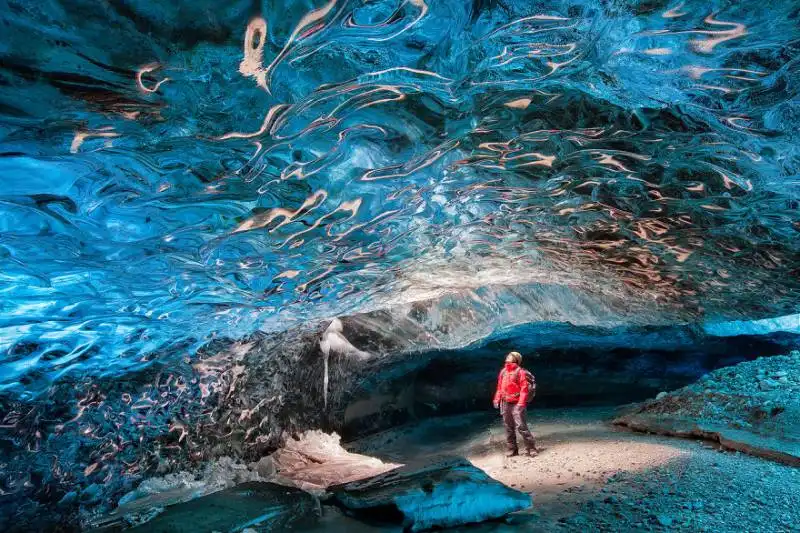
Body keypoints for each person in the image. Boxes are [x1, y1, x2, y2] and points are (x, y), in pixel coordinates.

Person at [493, 351, 538, 457]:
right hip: (505, 402)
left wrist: (521, 403)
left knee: (521, 426)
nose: (507, 357)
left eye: (510, 356)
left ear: (516, 359)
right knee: (508, 427)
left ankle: (531, 448)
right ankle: (512, 449)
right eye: (508, 355)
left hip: (517, 403)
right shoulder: (503, 371)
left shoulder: (520, 372)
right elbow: (499, 387)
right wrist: (496, 399)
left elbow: (524, 389)